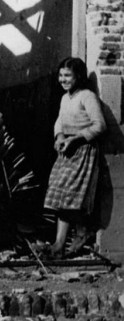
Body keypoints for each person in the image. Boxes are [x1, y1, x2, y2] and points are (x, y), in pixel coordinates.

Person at [43, 57, 106, 258]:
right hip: (67, 150)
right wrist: (60, 136)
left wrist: (77, 139)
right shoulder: (65, 98)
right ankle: (65, 241)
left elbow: (100, 125)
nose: (63, 80)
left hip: (83, 150)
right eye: (61, 75)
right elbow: (59, 122)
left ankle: (67, 240)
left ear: (78, 76)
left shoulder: (87, 96)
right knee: (60, 193)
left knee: (69, 195)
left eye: (68, 75)